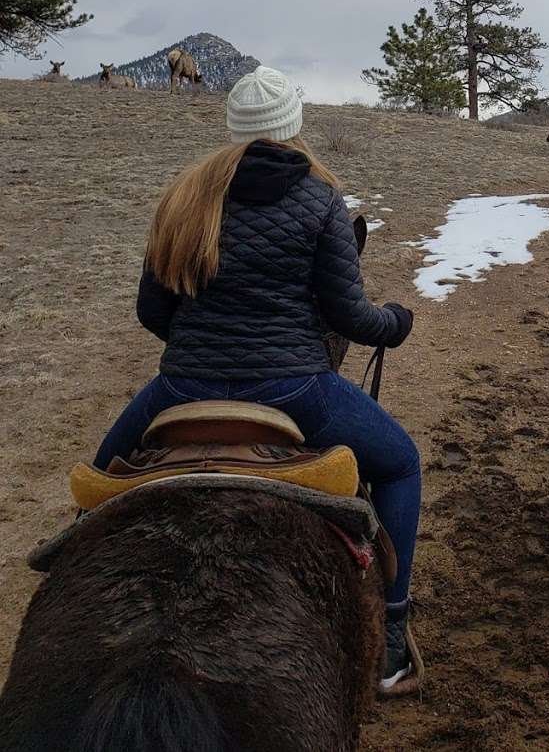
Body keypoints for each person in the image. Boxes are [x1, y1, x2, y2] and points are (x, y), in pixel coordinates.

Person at [94, 65, 421, 692]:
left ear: (235, 124)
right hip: (296, 389)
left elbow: (151, 310)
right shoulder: (320, 198)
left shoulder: (185, 194)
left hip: (182, 387)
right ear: (291, 124)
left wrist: (203, 354)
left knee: (101, 484)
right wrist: (395, 324)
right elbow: (346, 314)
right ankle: (395, 636)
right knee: (400, 462)